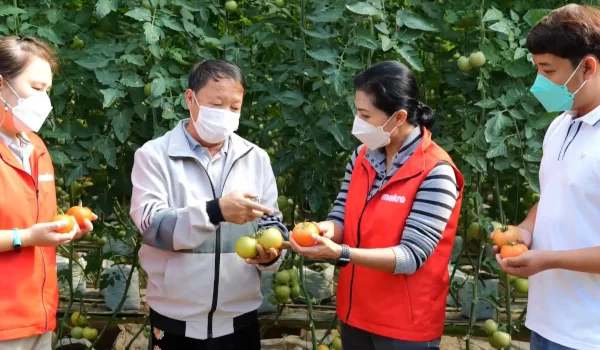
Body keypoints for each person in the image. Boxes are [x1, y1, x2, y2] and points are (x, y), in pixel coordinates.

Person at [290, 61, 464, 350]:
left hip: (404, 325)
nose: (357, 122)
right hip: (355, 314)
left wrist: (340, 253)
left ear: (398, 117)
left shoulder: (435, 171)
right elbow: (341, 218)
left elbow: (411, 257)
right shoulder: (361, 157)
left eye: (364, 115)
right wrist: (322, 230)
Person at [130, 59, 288, 350]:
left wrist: (271, 256)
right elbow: (152, 226)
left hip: (239, 317)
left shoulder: (255, 158)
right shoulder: (155, 156)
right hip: (175, 318)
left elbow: (272, 223)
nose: (226, 114)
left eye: (234, 107)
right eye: (217, 105)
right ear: (190, 99)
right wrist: (215, 211)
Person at [493, 4, 600, 350]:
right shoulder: (560, 125)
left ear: (587, 67)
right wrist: (525, 230)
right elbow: (555, 195)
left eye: (548, 71)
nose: (540, 84)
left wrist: (548, 259)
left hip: (588, 333)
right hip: (546, 321)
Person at [0, 36, 95, 349]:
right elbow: (25, 231)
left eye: (47, 90)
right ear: (1, 86)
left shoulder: (35, 147)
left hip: (39, 316)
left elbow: (28, 219)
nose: (44, 100)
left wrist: (63, 226)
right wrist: (27, 237)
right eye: (35, 88)